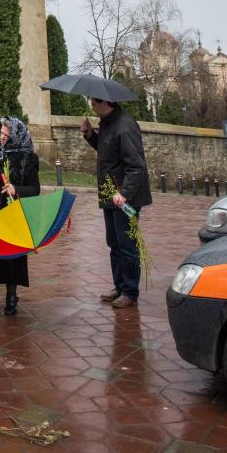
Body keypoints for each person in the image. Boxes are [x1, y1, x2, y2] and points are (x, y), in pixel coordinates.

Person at [80, 96, 153, 308]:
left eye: (94, 104)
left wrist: (125, 193)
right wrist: (90, 135)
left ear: (105, 103)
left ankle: (130, 292)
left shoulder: (125, 126)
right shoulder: (108, 124)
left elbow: (136, 165)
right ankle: (120, 286)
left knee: (127, 245)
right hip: (109, 195)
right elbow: (107, 154)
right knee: (114, 242)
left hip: (125, 199)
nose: (92, 108)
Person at [0, 118, 40, 315]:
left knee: (10, 255)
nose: (2, 138)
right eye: (0, 134)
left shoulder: (26, 158)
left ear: (16, 137)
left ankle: (12, 295)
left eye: (6, 136)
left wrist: (16, 188)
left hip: (8, 212)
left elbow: (35, 189)